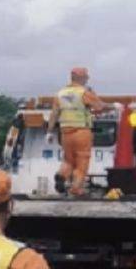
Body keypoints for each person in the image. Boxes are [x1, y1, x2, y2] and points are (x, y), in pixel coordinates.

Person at [47, 67, 112, 197]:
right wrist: (115, 106)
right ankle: (76, 189)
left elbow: (54, 114)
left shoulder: (60, 94)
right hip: (81, 132)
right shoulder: (84, 92)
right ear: (80, 77)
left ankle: (61, 175)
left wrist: (49, 132)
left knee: (68, 160)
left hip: (65, 133)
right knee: (82, 162)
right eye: (86, 77)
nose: (87, 79)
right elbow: (99, 106)